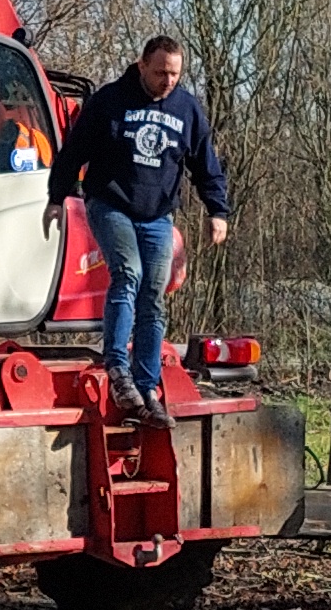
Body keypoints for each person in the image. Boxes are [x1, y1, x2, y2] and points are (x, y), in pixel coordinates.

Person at [53, 34, 230, 415]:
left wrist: (217, 211)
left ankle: (147, 389)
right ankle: (116, 365)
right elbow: (74, 151)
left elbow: (205, 163)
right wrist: (56, 197)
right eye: (161, 72)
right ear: (142, 66)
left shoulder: (186, 109)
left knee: (154, 292)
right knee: (128, 273)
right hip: (111, 203)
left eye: (175, 74)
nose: (168, 81)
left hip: (157, 215)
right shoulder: (110, 101)